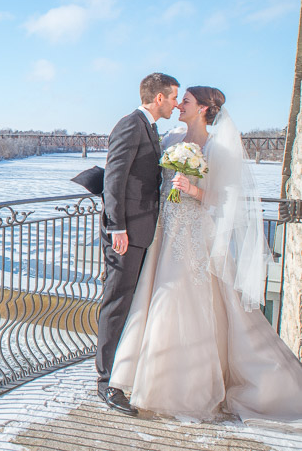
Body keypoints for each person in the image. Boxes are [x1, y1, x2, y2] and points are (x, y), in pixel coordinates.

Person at [110, 86, 302, 425]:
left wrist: (192, 188)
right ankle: (143, 377)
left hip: (196, 234)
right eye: (179, 99)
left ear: (202, 109)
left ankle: (186, 388)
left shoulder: (217, 147)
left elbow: (224, 200)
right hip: (165, 232)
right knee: (157, 297)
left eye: (185, 101)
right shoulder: (170, 138)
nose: (178, 105)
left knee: (191, 302)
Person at [96, 73, 180, 415]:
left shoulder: (151, 127)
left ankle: (124, 370)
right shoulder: (131, 124)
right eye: (173, 97)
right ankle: (105, 383)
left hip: (144, 231)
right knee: (116, 301)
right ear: (158, 98)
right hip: (125, 234)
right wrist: (116, 226)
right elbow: (113, 177)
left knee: (131, 301)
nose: (176, 103)